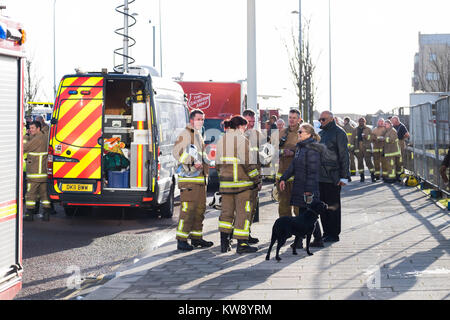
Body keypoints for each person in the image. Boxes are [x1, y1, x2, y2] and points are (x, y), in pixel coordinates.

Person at [216, 115, 261, 254]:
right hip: (242, 185)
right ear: (240, 126)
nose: (245, 129)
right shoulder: (241, 140)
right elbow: (248, 164)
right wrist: (257, 180)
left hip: (226, 185)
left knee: (226, 214)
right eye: (245, 127)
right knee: (243, 214)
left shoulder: (221, 139)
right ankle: (242, 244)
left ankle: (224, 243)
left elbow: (217, 164)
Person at [172, 109, 213, 251]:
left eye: (202, 119)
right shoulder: (185, 134)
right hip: (189, 181)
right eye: (198, 119)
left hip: (200, 180)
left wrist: (210, 162)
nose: (201, 121)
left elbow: (200, 155)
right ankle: (181, 240)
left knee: (200, 210)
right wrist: (192, 161)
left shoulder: (197, 135)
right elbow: (177, 154)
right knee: (188, 211)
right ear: (191, 120)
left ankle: (196, 238)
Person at [279, 123, 324, 248]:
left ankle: (315, 239)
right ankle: (303, 241)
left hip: (307, 188)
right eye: (298, 131)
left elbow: (313, 172)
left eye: (301, 132)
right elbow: (293, 166)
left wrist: (309, 190)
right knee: (304, 214)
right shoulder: (300, 147)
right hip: (300, 186)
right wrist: (283, 178)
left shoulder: (312, 149)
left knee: (308, 214)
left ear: (309, 134)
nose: (298, 134)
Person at [316, 111, 349, 243]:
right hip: (320, 177)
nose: (321, 121)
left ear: (330, 119)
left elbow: (344, 156)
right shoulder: (321, 134)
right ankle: (326, 232)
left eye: (323, 119)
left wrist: (344, 177)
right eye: (320, 119)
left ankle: (334, 234)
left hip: (332, 176)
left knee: (333, 207)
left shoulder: (339, 133)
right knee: (323, 207)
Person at [242, 109, 266, 243]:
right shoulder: (237, 134)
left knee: (251, 209)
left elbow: (261, 159)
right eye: (248, 121)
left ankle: (247, 233)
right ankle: (237, 236)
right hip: (240, 179)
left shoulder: (258, 135)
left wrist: (259, 178)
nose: (250, 124)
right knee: (239, 210)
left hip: (254, 178)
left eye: (253, 121)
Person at [275, 109, 301, 218]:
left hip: (298, 177)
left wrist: (294, 152)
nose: (291, 120)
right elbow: (270, 150)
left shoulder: (304, 132)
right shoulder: (282, 132)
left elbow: (311, 150)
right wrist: (282, 152)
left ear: (299, 119)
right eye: (290, 117)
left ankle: (301, 233)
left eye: (294, 118)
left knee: (299, 208)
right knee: (284, 207)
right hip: (282, 176)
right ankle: (285, 231)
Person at [23, 121, 51, 221]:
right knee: (44, 194)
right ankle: (46, 213)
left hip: (35, 173)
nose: (30, 130)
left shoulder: (37, 139)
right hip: (43, 173)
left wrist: (26, 136)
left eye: (32, 128)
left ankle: (29, 214)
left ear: (38, 128)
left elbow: (24, 148)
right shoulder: (44, 135)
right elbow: (46, 128)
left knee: (30, 194)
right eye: (30, 128)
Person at [354, 117, 376, 182]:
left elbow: (373, 138)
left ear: (365, 122)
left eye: (362, 121)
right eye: (360, 121)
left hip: (366, 148)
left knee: (368, 162)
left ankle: (373, 176)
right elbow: (352, 139)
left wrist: (366, 136)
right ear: (358, 122)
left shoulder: (368, 129)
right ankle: (362, 177)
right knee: (360, 163)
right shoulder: (355, 130)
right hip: (358, 148)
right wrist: (352, 148)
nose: (361, 122)